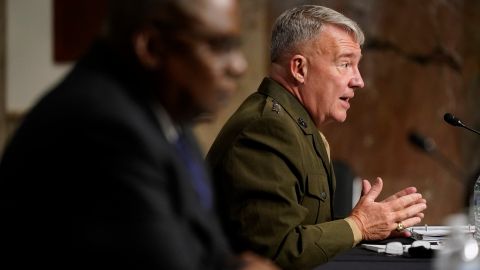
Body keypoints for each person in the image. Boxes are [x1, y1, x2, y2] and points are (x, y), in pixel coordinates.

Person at [0, 0, 279, 269]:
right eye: (220, 46)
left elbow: (210, 248)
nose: (239, 66)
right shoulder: (103, 129)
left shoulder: (162, 111)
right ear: (151, 47)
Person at [207, 5, 427, 269]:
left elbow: (303, 230)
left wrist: (369, 226)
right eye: (345, 64)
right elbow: (276, 251)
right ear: (299, 69)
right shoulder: (266, 129)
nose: (358, 81)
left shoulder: (294, 124)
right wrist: (358, 225)